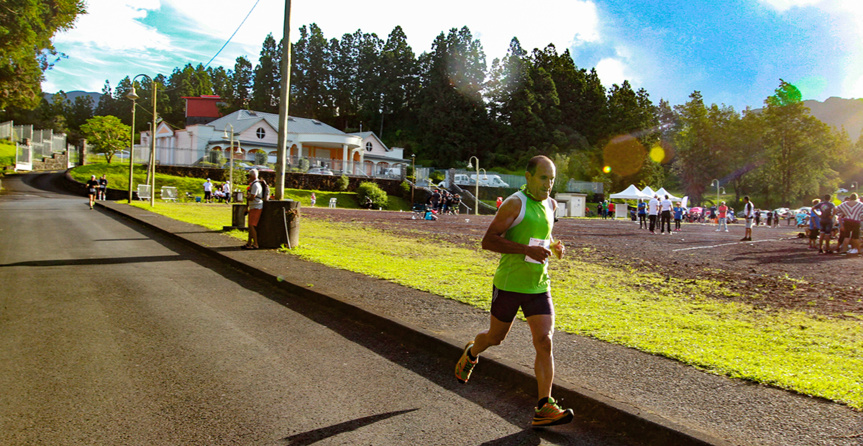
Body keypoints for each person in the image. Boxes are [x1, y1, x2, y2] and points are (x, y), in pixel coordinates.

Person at [454, 155, 573, 428]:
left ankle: (544, 406)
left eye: (552, 179)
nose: (548, 185)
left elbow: (544, 234)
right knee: (495, 338)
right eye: (543, 178)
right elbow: (488, 241)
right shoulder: (514, 204)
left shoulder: (551, 204)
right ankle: (472, 353)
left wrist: (555, 247)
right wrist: (525, 250)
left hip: (538, 284)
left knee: (544, 341)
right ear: (528, 176)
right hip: (509, 285)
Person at [244, 170, 263, 250]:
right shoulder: (254, 184)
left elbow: (252, 197)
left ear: (252, 176)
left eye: (249, 176)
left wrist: (246, 197)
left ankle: (255, 243)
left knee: (252, 225)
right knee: (250, 225)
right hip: (253, 206)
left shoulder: (255, 185)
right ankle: (249, 243)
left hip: (256, 206)